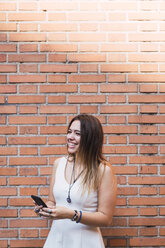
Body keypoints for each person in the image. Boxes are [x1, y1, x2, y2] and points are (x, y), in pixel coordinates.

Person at [34, 114, 117, 248]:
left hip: (86, 241)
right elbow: (52, 201)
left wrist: (71, 214)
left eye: (77, 133)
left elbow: (106, 218)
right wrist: (45, 209)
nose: (70, 137)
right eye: (69, 132)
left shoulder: (102, 170)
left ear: (90, 138)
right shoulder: (59, 164)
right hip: (57, 238)